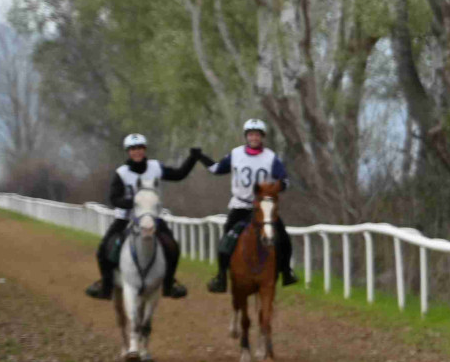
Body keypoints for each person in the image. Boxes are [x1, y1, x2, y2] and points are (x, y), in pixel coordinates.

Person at [85, 133, 200, 300]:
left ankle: (169, 284)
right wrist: (134, 202)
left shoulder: (155, 167)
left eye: (139, 148)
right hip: (126, 218)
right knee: (103, 249)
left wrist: (192, 159)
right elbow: (114, 198)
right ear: (128, 152)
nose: (136, 152)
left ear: (144, 150)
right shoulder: (121, 173)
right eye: (132, 149)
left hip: (152, 218)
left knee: (172, 246)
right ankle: (106, 284)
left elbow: (179, 174)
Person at [205, 118, 297, 293]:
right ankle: (221, 276)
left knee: (284, 237)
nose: (254, 138)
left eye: (257, 135)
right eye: (251, 135)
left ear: (262, 137)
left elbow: (284, 180)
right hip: (240, 206)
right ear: (246, 136)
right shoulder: (236, 154)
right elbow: (217, 169)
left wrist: (276, 188)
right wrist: (200, 157)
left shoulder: (271, 158)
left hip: (264, 208)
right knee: (226, 241)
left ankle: (286, 271)